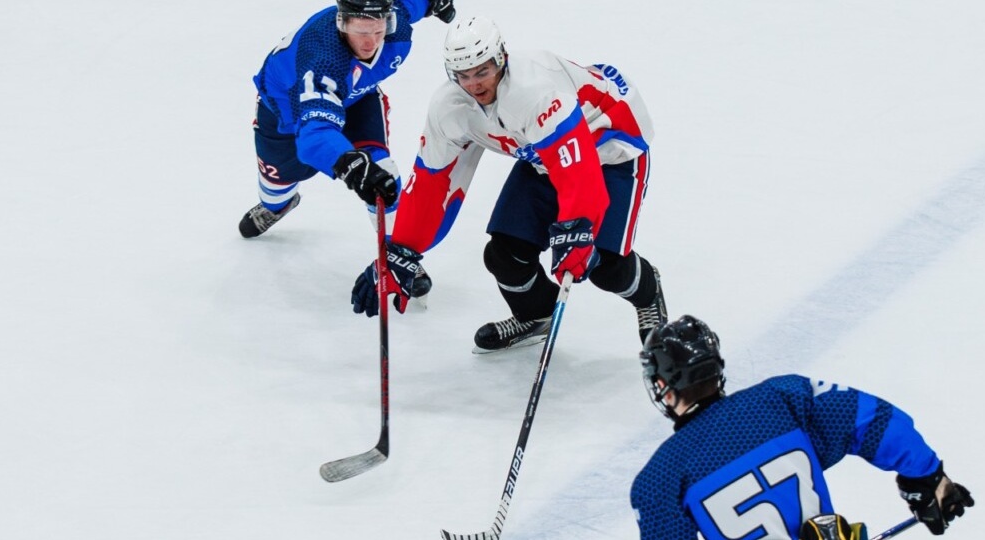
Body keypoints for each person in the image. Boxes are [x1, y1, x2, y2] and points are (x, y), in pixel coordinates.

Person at [349, 16, 669, 352]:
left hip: (611, 148)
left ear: (501, 58)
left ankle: (648, 293)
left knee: (605, 263)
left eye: (483, 71)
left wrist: (579, 225)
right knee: (504, 255)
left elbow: (579, 172)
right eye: (464, 75)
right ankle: (536, 315)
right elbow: (432, 187)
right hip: (543, 154)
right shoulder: (450, 108)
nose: (475, 84)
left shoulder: (534, 91)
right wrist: (402, 251)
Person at [630, 315, 975, 540]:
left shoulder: (659, 478)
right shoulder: (783, 398)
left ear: (664, 386)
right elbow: (873, 420)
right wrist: (928, 479)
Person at [239, 0, 454, 301]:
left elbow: (409, 5)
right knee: (276, 187)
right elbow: (314, 137)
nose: (371, 42)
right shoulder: (323, 58)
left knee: (383, 177)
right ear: (342, 22)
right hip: (288, 112)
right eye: (361, 31)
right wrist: (348, 162)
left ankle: (399, 257)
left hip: (358, 99)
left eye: (379, 31)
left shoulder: (396, 23)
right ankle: (277, 206)